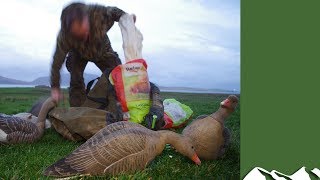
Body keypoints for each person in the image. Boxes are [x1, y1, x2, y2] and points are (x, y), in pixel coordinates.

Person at [50, 2, 136, 106]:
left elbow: (114, 11)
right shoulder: (64, 37)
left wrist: (126, 18)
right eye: (79, 32)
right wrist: (55, 88)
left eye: (84, 27)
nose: (85, 32)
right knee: (75, 80)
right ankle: (77, 112)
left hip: (102, 49)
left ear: (87, 17)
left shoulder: (98, 13)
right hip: (78, 53)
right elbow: (56, 63)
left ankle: (120, 106)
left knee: (118, 76)